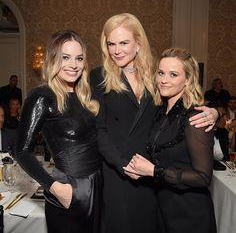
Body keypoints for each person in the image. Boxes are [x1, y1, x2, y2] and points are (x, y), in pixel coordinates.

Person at [90, 13, 218, 233]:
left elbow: (178, 108)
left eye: (124, 42)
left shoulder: (156, 75)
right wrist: (123, 165)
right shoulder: (99, 76)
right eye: (111, 43)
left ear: (138, 43)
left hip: (153, 175)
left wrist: (213, 112)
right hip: (117, 170)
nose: (116, 50)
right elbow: (99, 131)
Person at [15, 30, 102, 233]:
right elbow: (21, 151)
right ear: (53, 59)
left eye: (79, 58)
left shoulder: (85, 96)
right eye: (66, 57)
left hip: (97, 185)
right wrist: (56, 188)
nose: (74, 64)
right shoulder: (42, 97)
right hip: (70, 190)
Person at [124, 47, 217, 233]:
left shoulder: (194, 118)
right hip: (162, 208)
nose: (164, 80)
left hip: (189, 214)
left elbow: (203, 177)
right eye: (161, 73)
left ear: (188, 80)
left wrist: (153, 171)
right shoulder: (160, 112)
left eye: (173, 74)